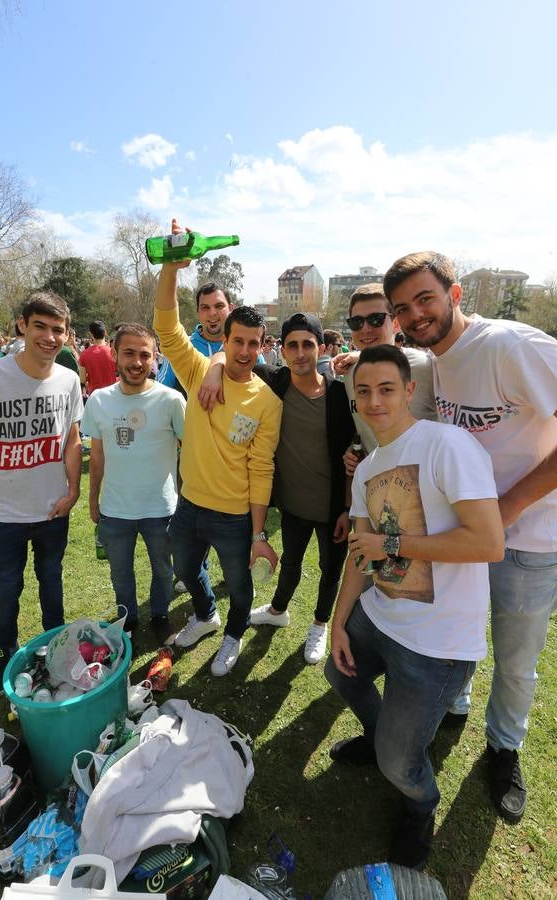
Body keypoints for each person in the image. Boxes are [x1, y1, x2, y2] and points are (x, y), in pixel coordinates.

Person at [383, 250, 557, 822]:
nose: (415, 315)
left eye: (425, 299)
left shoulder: (513, 345)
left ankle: (504, 749)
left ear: (456, 295)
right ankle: (452, 708)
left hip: (530, 538)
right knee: (454, 629)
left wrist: (507, 508)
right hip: (462, 533)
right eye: (402, 309)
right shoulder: (435, 361)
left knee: (515, 656)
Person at [326, 344, 503, 868]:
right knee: (341, 677)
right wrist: (339, 623)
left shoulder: (447, 445)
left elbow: (488, 543)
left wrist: (396, 545)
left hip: (438, 642)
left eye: (386, 389)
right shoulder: (366, 470)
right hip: (379, 616)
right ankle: (380, 740)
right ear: (354, 400)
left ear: (409, 390)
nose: (375, 401)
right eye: (363, 391)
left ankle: (420, 804)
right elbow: (362, 553)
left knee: (402, 765)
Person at [153, 219, 282, 676]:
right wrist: (171, 265)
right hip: (188, 505)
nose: (245, 350)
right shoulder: (195, 369)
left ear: (262, 345)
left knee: (241, 584)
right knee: (186, 569)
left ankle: (233, 635)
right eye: (237, 341)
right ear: (222, 340)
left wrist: (259, 531)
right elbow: (166, 328)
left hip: (233, 514)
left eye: (253, 343)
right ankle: (207, 616)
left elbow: (262, 467)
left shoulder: (267, 402)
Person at [200, 312, 354, 663]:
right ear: (281, 349)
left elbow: (351, 451)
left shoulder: (338, 396)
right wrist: (212, 369)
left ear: (321, 348)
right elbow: (229, 353)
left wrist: (346, 508)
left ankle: (319, 623)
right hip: (292, 505)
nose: (300, 353)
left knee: (331, 571)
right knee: (291, 564)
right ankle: (278, 609)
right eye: (292, 345)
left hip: (332, 509)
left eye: (308, 345)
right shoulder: (274, 382)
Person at [0, 291, 83, 695]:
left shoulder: (69, 379)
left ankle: (57, 649)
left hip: (52, 511)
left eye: (57, 330)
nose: (49, 337)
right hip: (2, 514)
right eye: (40, 327)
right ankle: (3, 653)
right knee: (6, 589)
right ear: (22, 325)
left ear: (67, 334)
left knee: (52, 581)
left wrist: (74, 491)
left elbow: (72, 439)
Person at [82, 324, 185, 645]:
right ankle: (127, 620)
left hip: (162, 509)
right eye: (129, 353)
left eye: (145, 355)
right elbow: (96, 457)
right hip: (115, 510)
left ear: (155, 359)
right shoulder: (98, 401)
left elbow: (190, 454)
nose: (137, 362)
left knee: (164, 571)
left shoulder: (171, 400)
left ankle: (160, 615)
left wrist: (187, 500)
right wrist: (93, 499)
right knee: (120, 574)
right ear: (114, 353)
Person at [334, 284, 437, 462]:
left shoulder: (425, 366)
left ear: (396, 323)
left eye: (376, 319)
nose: (366, 329)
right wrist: (353, 450)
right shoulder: (350, 373)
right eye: (357, 322)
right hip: (375, 482)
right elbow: (364, 431)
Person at [78, 321, 117, 396]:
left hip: (94, 396)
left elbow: (82, 380)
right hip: (113, 394)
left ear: (91, 334)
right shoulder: (113, 352)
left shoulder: (84, 354)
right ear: (105, 332)